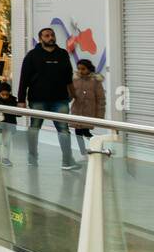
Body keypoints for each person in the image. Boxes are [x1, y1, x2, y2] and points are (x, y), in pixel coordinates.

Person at [16, 26, 79, 170]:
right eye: (46, 35)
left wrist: (73, 94)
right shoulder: (32, 56)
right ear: (40, 39)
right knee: (34, 128)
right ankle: (32, 159)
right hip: (38, 100)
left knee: (63, 129)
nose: (50, 38)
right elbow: (24, 79)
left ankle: (67, 161)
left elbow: (68, 77)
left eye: (52, 35)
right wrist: (21, 100)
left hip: (60, 99)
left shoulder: (62, 54)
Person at [68, 58, 105, 154]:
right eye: (79, 69)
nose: (80, 71)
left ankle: (99, 146)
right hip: (77, 110)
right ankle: (82, 151)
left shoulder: (95, 81)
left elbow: (100, 99)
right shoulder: (75, 80)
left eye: (83, 69)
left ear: (89, 69)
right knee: (78, 132)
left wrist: (99, 116)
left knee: (85, 132)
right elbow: (70, 94)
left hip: (89, 112)